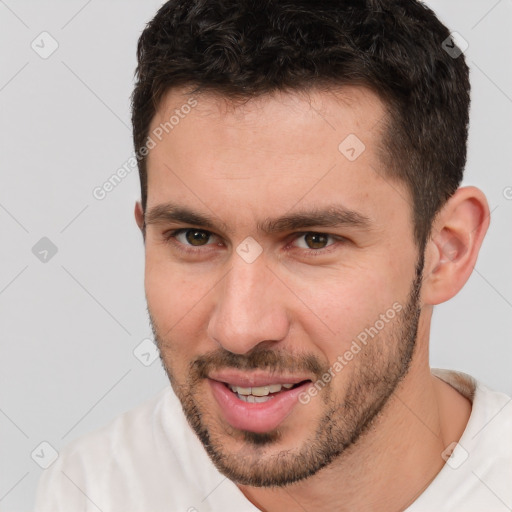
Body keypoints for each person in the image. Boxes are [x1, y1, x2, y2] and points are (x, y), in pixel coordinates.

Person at [35, 0, 512, 510]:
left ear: (446, 249)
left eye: (313, 240)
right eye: (195, 236)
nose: (240, 328)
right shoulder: (92, 490)